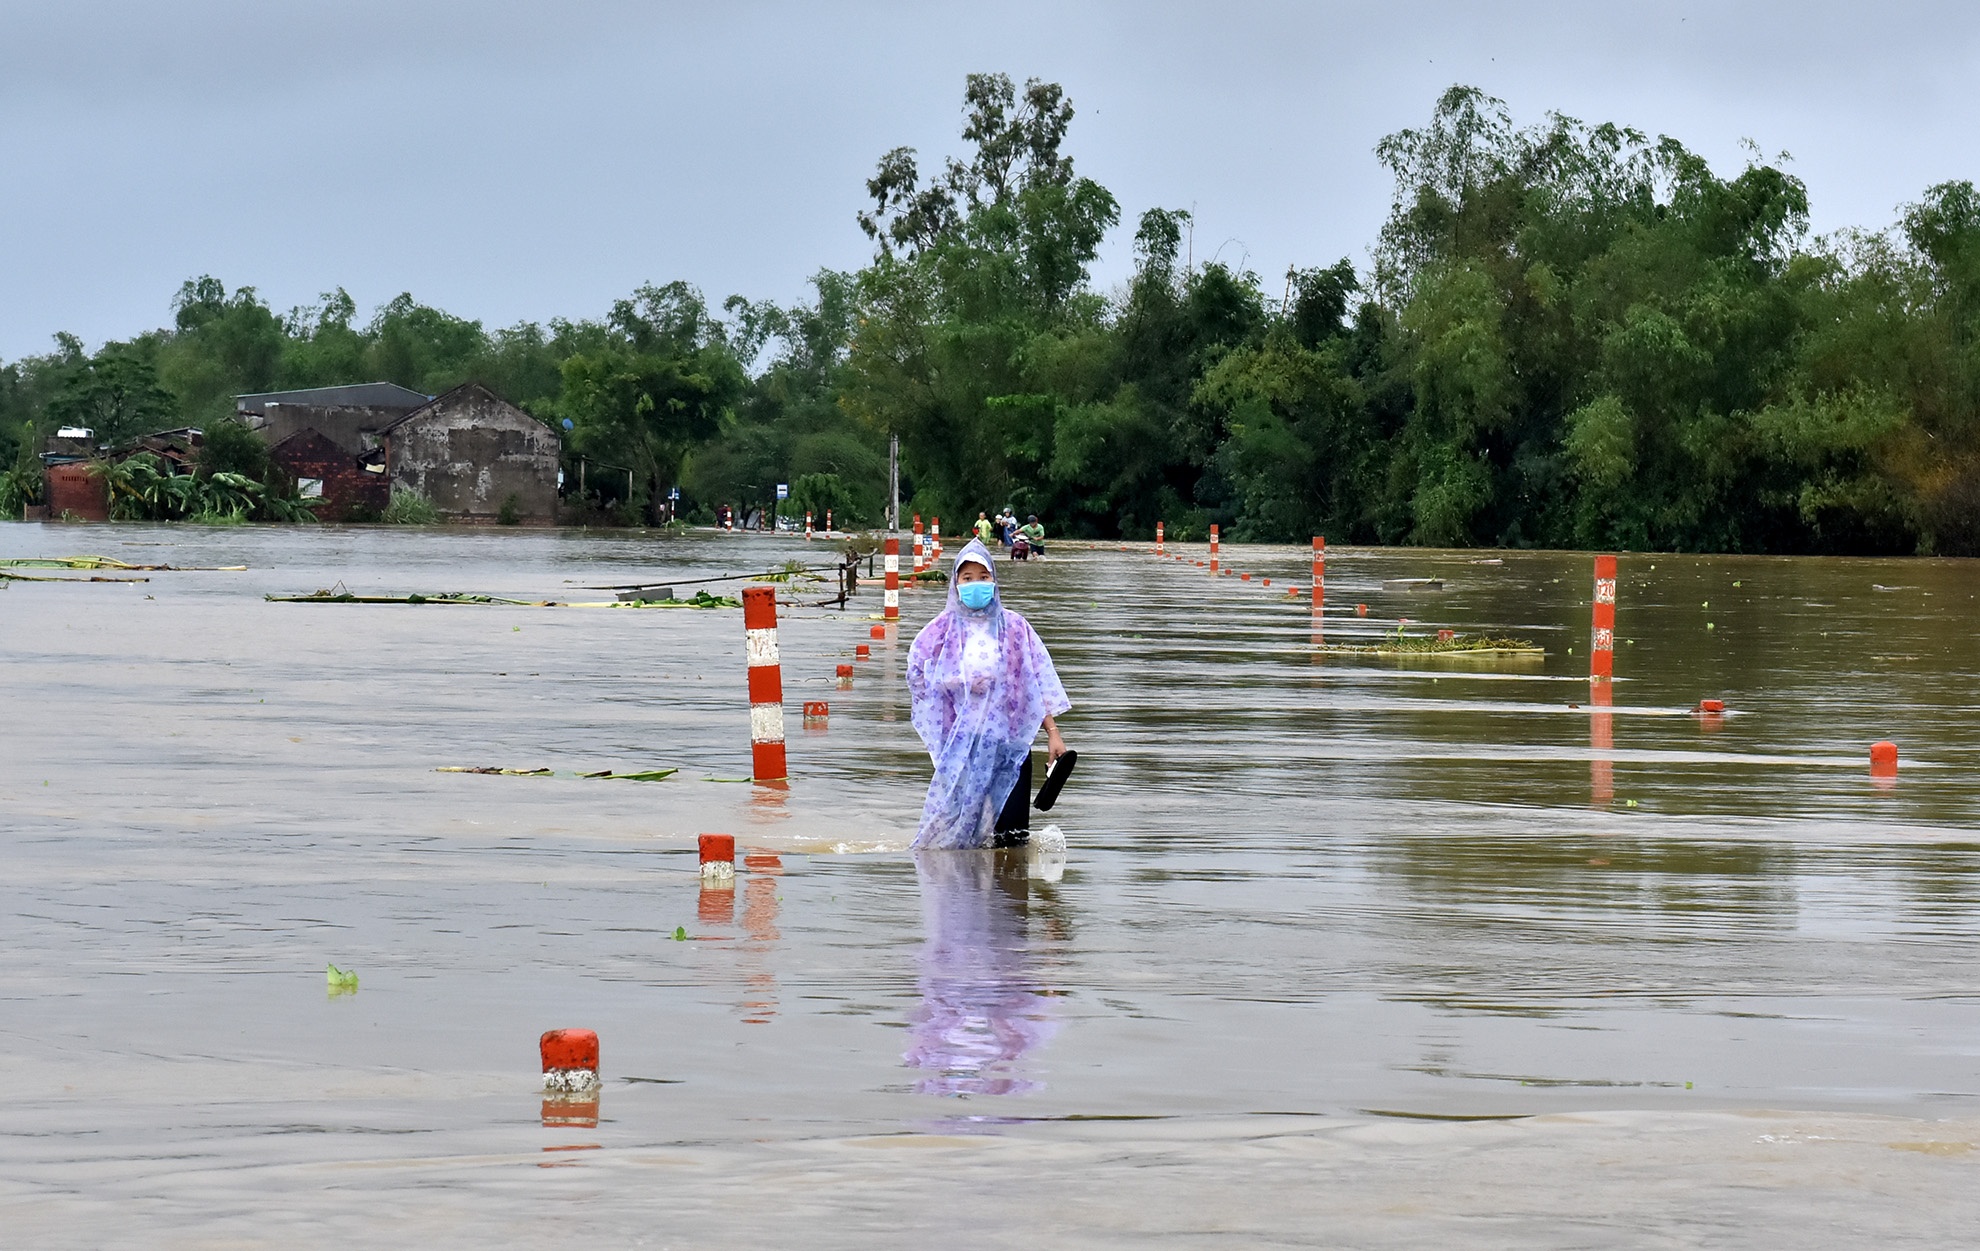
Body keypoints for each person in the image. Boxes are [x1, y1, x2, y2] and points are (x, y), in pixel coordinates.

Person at [907, 540, 1070, 848]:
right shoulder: (942, 628)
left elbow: (1034, 682)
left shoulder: (1015, 627)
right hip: (964, 747)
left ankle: (1009, 895)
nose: (976, 585)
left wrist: (1053, 733)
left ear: (994, 580)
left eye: (983, 577)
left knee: (1012, 839)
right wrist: (959, 682)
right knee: (963, 840)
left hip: (1011, 744)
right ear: (956, 584)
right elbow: (917, 673)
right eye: (967, 578)